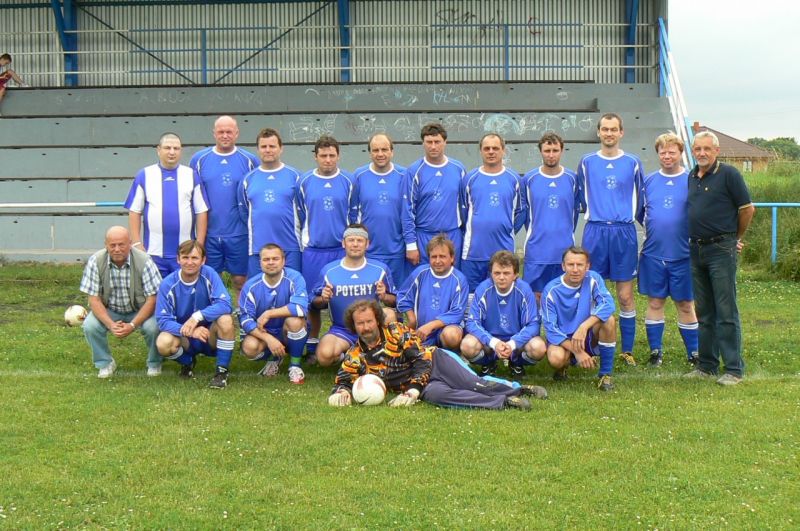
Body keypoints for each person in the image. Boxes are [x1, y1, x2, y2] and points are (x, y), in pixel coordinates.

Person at [327, 299, 547, 410]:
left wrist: (413, 390)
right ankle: (504, 402)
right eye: (360, 324)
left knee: (473, 384)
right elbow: (344, 378)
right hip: (423, 387)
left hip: (436, 362)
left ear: (377, 320)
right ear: (353, 326)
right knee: (439, 397)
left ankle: (518, 389)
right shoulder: (356, 355)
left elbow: (421, 360)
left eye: (369, 321)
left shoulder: (396, 332)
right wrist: (342, 392)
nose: (366, 327)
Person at [684, 131, 755, 386]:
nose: (702, 153)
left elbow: (747, 209)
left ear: (716, 150)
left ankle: (733, 369)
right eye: (698, 149)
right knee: (704, 312)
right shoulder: (692, 176)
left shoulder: (729, 174)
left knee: (726, 312)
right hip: (696, 250)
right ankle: (707, 365)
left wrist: (734, 238)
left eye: (707, 149)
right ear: (693, 151)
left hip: (721, 250)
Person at [577, 113, 643, 366]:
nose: (609, 133)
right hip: (595, 231)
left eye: (613, 129)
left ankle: (627, 351)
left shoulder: (633, 162)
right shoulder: (587, 162)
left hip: (623, 232)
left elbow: (640, 200)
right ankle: (590, 346)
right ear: (598, 132)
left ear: (621, 132)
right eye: (605, 129)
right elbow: (581, 197)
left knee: (625, 295)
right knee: (590, 291)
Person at [637, 133, 699, 367]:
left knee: (686, 304)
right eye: (663, 152)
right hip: (654, 254)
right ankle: (655, 352)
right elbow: (641, 213)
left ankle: (694, 353)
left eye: (672, 152)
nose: (667, 156)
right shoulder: (649, 181)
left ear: (680, 153)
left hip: (684, 254)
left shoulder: (692, 180)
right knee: (655, 302)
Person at [297, 135, 356, 361]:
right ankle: (312, 345)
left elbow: (354, 215)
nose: (328, 160)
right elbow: (300, 215)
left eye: (332, 155)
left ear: (338, 156)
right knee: (314, 301)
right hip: (314, 251)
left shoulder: (349, 181)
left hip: (341, 251)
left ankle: (348, 344)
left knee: (343, 300)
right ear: (316, 156)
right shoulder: (304, 182)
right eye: (323, 155)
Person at [189, 116, 259, 298]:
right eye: (221, 132)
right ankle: (214, 314)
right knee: (209, 280)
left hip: (239, 233)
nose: (225, 135)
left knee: (240, 280)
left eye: (229, 132)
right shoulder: (199, 159)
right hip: (209, 234)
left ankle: (243, 314)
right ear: (214, 133)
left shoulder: (249, 160)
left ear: (237, 133)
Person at [79, 226, 162, 378]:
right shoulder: (95, 261)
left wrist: (132, 325)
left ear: (130, 243)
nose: (117, 249)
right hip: (110, 309)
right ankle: (105, 363)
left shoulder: (145, 261)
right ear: (106, 245)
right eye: (112, 245)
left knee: (154, 327)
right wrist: (110, 324)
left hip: (141, 309)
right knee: (90, 326)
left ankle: (154, 363)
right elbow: (94, 299)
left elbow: (153, 299)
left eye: (121, 244)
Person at [125, 132, 210, 278]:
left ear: (181, 151)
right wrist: (137, 243)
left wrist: (199, 244)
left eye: (176, 148)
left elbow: (201, 211)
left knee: (184, 289)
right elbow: (134, 211)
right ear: (158, 150)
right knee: (155, 291)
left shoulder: (191, 175)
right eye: (167, 148)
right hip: (153, 252)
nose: (172, 152)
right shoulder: (144, 175)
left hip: (186, 253)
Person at [312, 224, 395, 367]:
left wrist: (384, 297)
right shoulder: (329, 270)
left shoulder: (380, 269)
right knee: (324, 356)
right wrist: (323, 299)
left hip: (372, 327)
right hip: (342, 330)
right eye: (351, 240)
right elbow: (313, 302)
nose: (355, 244)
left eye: (360, 240)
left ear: (367, 244)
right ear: (343, 243)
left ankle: (381, 353)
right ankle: (350, 356)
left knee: (389, 314)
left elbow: (395, 301)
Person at [155, 240, 235, 389]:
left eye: (194, 258)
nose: (190, 262)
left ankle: (221, 372)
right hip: (185, 336)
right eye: (185, 257)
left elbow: (225, 304)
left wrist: (197, 317)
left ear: (203, 260)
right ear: (178, 259)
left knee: (226, 320)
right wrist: (191, 330)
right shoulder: (167, 284)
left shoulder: (209, 274)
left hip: (209, 335)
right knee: (163, 342)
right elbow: (162, 320)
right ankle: (187, 362)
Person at [461, 250, 546, 380]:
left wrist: (512, 344)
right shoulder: (483, 289)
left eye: (506, 273)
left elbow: (533, 325)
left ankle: (516, 362)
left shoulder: (524, 290)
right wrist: (493, 342)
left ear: (515, 274)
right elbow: (472, 323)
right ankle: (488, 362)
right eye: (497, 273)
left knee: (538, 347)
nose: (501, 277)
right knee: (467, 345)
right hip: (489, 341)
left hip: (517, 341)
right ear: (491, 274)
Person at [540, 246, 618, 390]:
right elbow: (551, 329)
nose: (575, 269)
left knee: (609, 320)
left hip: (586, 334)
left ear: (587, 266)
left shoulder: (593, 278)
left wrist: (584, 326)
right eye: (571, 264)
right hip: (564, 339)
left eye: (580, 265)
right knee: (556, 358)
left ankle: (605, 375)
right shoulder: (551, 290)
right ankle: (564, 365)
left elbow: (608, 304)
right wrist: (577, 351)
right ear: (563, 266)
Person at [521, 133, 582, 301]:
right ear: (540, 151)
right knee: (534, 297)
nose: (551, 154)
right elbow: (524, 213)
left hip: (564, 249)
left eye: (555, 150)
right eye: (547, 150)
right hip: (537, 250)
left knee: (562, 296)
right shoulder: (529, 179)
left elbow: (575, 211)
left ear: (562, 151)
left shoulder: (572, 179)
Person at [460, 133, 524, 292]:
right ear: (480, 151)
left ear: (503, 150)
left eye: (495, 148)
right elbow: (464, 212)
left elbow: (520, 212)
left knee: (502, 295)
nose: (491, 152)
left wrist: (505, 228)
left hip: (503, 251)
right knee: (471, 297)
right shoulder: (470, 179)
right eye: (486, 148)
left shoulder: (514, 179)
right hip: (474, 253)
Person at [238, 243, 309, 385]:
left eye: (275, 259)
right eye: (266, 259)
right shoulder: (251, 286)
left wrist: (269, 313)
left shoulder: (295, 278)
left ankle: (295, 366)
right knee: (249, 348)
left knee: (295, 321)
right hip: (264, 332)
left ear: (283, 261)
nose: (271, 262)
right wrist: (269, 339)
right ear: (260, 263)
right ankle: (274, 358)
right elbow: (245, 320)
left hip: (287, 330)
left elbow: (301, 308)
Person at [239, 128, 303, 278]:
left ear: (281, 148)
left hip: (290, 247)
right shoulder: (247, 179)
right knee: (259, 289)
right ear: (258, 149)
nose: (268, 150)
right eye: (263, 146)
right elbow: (244, 213)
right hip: (258, 248)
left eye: (272, 146)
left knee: (292, 287)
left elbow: (304, 211)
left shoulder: (296, 176)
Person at [402, 123, 467, 268]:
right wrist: (411, 244)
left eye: (437, 142)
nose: (433, 146)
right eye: (429, 142)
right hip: (424, 236)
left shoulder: (458, 169)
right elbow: (407, 210)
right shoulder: (414, 171)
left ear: (445, 142)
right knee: (424, 278)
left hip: (452, 235)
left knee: (451, 277)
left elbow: (466, 205)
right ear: (423, 143)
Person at [352, 133, 409, 287]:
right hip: (368, 251)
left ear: (392, 151)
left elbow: (409, 213)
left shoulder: (404, 175)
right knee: (369, 297)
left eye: (384, 149)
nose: (380, 154)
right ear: (369, 153)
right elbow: (353, 215)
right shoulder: (359, 176)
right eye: (375, 150)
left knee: (395, 295)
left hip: (396, 250)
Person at [397, 235, 469, 350]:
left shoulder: (459, 280)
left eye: (442, 256)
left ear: (452, 258)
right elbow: (402, 296)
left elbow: (457, 313)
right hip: (420, 330)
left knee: (452, 335)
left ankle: (448, 355)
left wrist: (431, 325)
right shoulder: (420, 273)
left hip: (444, 329)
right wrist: (411, 318)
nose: (437, 261)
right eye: (434, 257)